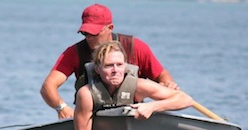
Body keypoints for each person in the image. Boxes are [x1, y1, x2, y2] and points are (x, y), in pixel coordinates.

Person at [40, 3, 178, 119]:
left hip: (132, 115)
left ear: (110, 28)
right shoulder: (75, 52)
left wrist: (167, 83)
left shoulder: (135, 47)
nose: (89, 37)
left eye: (94, 33)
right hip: (93, 117)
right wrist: (61, 107)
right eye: (85, 33)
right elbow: (47, 87)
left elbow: (161, 75)